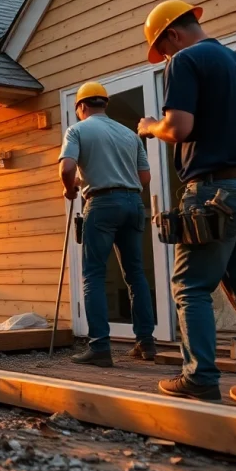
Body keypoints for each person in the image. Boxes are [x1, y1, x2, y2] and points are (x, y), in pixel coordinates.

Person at [137, 0, 236, 412]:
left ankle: (199, 379)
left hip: (216, 194)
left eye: (164, 49)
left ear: (172, 35)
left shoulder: (186, 60)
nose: (167, 57)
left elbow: (179, 126)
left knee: (191, 286)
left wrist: (150, 127)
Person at [58, 81, 157, 368]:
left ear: (82, 106)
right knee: (135, 274)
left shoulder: (78, 130)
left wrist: (70, 189)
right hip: (133, 204)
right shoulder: (129, 134)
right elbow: (145, 178)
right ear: (105, 104)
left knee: (94, 276)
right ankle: (146, 342)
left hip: (101, 205)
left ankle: (100, 347)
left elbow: (66, 168)